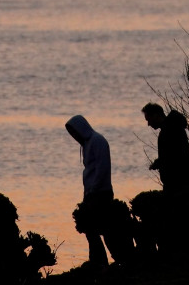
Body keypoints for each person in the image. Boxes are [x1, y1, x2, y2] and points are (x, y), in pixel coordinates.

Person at [65, 114, 115, 270]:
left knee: (101, 228)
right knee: (89, 228)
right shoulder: (87, 144)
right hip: (91, 193)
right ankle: (97, 260)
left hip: (100, 192)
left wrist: (94, 190)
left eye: (75, 132)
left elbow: (102, 168)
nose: (74, 136)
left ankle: (102, 261)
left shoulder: (97, 141)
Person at [141, 102, 189, 195]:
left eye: (149, 119)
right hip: (177, 181)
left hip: (177, 182)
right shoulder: (170, 128)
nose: (148, 124)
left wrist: (161, 163)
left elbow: (176, 156)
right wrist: (159, 162)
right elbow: (171, 154)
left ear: (156, 115)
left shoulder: (170, 130)